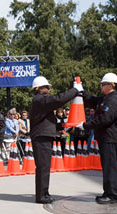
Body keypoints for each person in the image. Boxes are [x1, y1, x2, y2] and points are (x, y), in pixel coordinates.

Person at [30, 76, 82, 204]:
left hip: (43, 135)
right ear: (38, 88)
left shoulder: (40, 101)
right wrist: (75, 90)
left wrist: (62, 126)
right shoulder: (40, 99)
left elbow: (46, 121)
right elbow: (58, 99)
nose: (48, 88)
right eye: (46, 86)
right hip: (41, 137)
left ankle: (44, 193)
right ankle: (42, 196)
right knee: (43, 167)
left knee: (44, 167)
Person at [76, 73, 117, 204]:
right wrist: (81, 91)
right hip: (104, 137)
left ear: (110, 85)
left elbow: (104, 119)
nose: (101, 86)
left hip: (109, 137)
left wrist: (85, 125)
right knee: (106, 166)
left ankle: (112, 195)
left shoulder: (112, 101)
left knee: (109, 167)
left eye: (103, 84)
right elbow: (93, 100)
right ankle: (107, 192)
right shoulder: (106, 99)